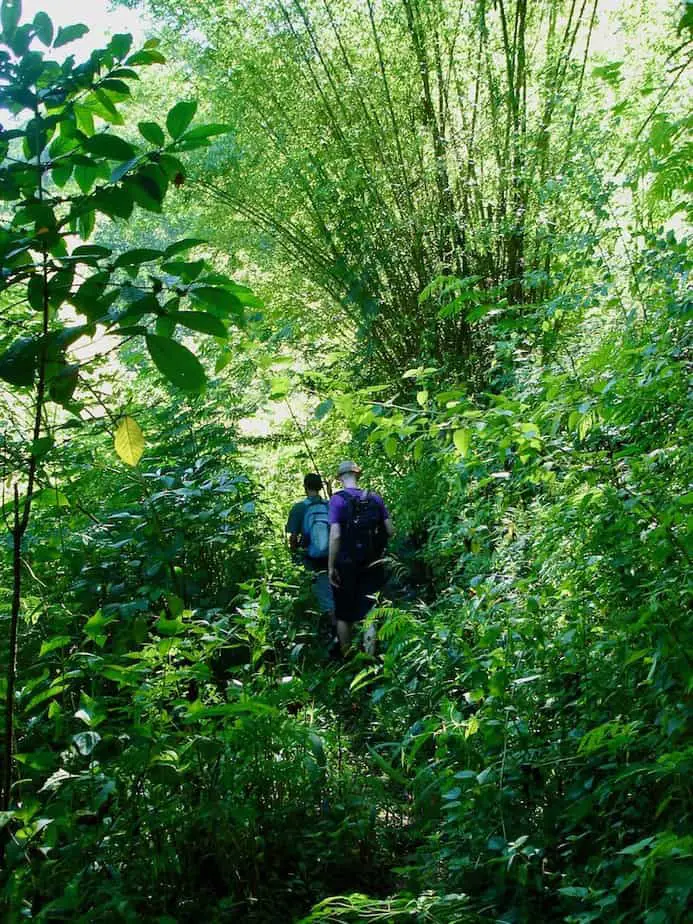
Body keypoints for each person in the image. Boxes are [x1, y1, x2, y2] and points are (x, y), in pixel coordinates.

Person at [328, 461, 394, 655]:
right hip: (372, 562)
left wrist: (331, 566)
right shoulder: (375, 498)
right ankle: (370, 657)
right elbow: (390, 530)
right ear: (358, 475)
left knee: (344, 614)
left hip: (345, 564)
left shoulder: (336, 500)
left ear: (340, 478)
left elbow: (336, 535)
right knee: (370, 612)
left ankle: (348, 659)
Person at [286, 473, 336, 642]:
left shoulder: (299, 508)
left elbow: (293, 538)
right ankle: (338, 628)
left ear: (305, 487)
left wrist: (294, 555)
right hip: (331, 557)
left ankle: (330, 633)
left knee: (319, 594)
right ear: (320, 487)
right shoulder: (329, 506)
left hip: (310, 557)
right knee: (330, 591)